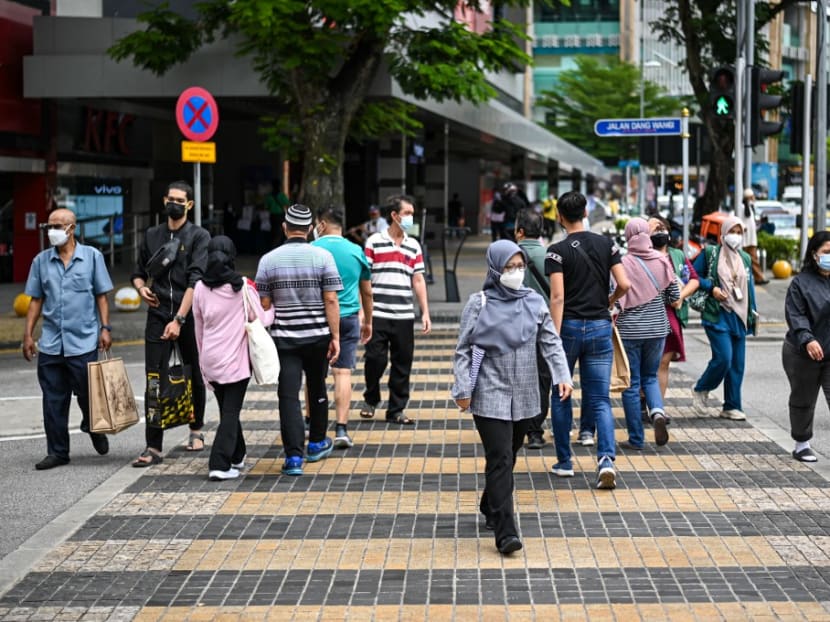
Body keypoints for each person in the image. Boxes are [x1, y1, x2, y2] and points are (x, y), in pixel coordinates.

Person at [452, 240, 572, 555]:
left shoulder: (534, 301)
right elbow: (463, 350)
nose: (515, 272)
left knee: (509, 454)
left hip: (526, 394)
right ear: (495, 268)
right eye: (509, 267)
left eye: (519, 267)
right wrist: (462, 389)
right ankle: (506, 532)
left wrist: (562, 375)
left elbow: (550, 342)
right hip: (489, 393)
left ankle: (490, 501)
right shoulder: (479, 303)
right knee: (501, 457)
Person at [545, 191, 630, 489]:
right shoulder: (607, 244)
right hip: (599, 328)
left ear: (559, 216)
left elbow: (557, 297)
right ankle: (606, 460)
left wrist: (553, 338)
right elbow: (624, 283)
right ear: (585, 213)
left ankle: (565, 462)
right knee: (600, 399)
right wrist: (609, 301)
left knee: (561, 393)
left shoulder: (556, 251)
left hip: (567, 328)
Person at [23, 208, 113, 470]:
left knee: (88, 395)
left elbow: (101, 297)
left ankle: (93, 426)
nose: (51, 231)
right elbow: (35, 300)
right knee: (53, 399)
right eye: (48, 226)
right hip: (51, 342)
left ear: (71, 229)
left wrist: (105, 328)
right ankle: (58, 452)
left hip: (84, 341)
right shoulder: (40, 261)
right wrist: (28, 334)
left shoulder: (92, 257)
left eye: (57, 226)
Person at [256, 204, 342, 476]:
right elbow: (331, 299)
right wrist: (335, 336)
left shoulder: (268, 260)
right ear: (310, 229)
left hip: (285, 340)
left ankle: (294, 458)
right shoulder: (323, 257)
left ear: (285, 227)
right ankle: (317, 443)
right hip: (317, 337)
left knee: (288, 395)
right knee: (317, 388)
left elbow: (265, 303)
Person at [131, 181, 211, 467]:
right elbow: (138, 273)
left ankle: (196, 429)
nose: (174, 204)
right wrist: (141, 290)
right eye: (171, 198)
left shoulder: (200, 236)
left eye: (180, 200)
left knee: (193, 374)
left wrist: (179, 319)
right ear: (164, 200)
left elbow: (196, 280)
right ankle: (153, 445)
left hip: (188, 316)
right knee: (154, 377)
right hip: (157, 312)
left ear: (189, 205)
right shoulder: (152, 235)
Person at [193, 236, 274, 480]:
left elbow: (198, 329)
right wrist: (274, 309)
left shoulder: (199, 287)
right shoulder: (242, 287)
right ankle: (219, 463)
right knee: (230, 412)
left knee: (227, 409)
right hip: (235, 362)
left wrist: (201, 363)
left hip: (210, 358)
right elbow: (260, 320)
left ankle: (238, 455)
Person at [361, 194, 432, 425]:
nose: (410, 218)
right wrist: (364, 311)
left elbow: (418, 280)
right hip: (378, 312)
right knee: (375, 359)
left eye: (412, 213)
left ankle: (396, 410)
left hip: (403, 315)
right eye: (407, 213)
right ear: (394, 215)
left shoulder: (414, 246)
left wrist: (425, 312)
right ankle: (371, 397)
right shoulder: (374, 241)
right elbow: (365, 278)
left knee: (403, 364)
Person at [615, 218, 680, 449]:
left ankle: (636, 438)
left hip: (630, 331)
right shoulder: (662, 260)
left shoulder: (623, 263)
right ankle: (658, 413)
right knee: (650, 376)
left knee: (631, 383)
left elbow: (616, 297)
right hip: (658, 329)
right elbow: (674, 296)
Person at [311, 207, 373, 449]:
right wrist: (368, 320)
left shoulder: (313, 250)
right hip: (348, 318)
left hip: (318, 318)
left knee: (314, 373)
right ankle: (341, 428)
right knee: (343, 373)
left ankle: (311, 423)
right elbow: (367, 290)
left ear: (322, 224)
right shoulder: (356, 250)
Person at [691, 215, 757, 421]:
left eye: (739, 232)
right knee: (723, 358)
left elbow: (749, 288)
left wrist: (752, 314)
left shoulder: (744, 258)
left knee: (737, 364)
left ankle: (731, 405)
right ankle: (701, 388)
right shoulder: (711, 253)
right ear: (723, 234)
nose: (735, 236)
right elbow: (691, 274)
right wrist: (712, 289)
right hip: (717, 313)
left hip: (740, 315)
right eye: (732, 232)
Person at [782, 231, 830, 462]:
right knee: (804, 399)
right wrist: (807, 339)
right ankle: (801, 444)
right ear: (814, 255)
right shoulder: (800, 284)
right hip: (802, 353)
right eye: (827, 252)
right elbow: (796, 315)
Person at [648, 217, 700, 399]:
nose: (659, 232)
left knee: (663, 362)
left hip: (672, 316)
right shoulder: (643, 256)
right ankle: (642, 402)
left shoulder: (677, 256)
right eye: (654, 229)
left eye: (662, 228)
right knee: (647, 364)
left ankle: (658, 407)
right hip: (649, 316)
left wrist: (680, 295)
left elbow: (694, 279)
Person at [514, 209, 552, 449]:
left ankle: (516, 425)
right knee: (542, 377)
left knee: (516, 375)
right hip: (544, 324)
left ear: (519, 231)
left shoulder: (508, 256)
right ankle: (535, 430)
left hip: (513, 325)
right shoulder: (550, 255)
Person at [739, 188, 769, 284]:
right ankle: (756, 278)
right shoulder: (741, 208)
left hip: (751, 239)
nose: (754, 198)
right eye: (752, 197)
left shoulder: (750, 208)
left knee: (753, 259)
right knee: (745, 260)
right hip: (744, 239)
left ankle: (758, 277)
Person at [266, 178, 290, 247]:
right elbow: (287, 204)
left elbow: (267, 207)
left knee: (273, 231)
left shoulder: (269, 196)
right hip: (280, 215)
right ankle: (278, 245)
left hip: (272, 216)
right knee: (281, 232)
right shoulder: (282, 195)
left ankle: (273, 245)